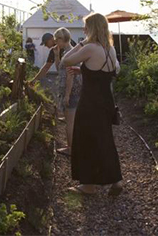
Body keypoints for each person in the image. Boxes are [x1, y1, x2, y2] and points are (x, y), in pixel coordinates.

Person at [61, 12, 123, 196]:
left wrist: (81, 43)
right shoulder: (109, 50)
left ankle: (88, 185)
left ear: (92, 29)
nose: (83, 30)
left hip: (90, 103)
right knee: (105, 141)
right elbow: (108, 73)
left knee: (84, 141)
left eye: (86, 27)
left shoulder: (90, 48)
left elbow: (65, 60)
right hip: (106, 102)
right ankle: (116, 180)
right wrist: (84, 71)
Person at [51, 28, 82, 157]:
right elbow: (59, 69)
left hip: (71, 91)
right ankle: (72, 145)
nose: (55, 42)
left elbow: (71, 75)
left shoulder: (71, 53)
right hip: (68, 90)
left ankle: (70, 148)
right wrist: (57, 55)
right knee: (70, 120)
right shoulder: (67, 52)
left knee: (70, 122)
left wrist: (67, 95)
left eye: (56, 39)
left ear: (62, 39)